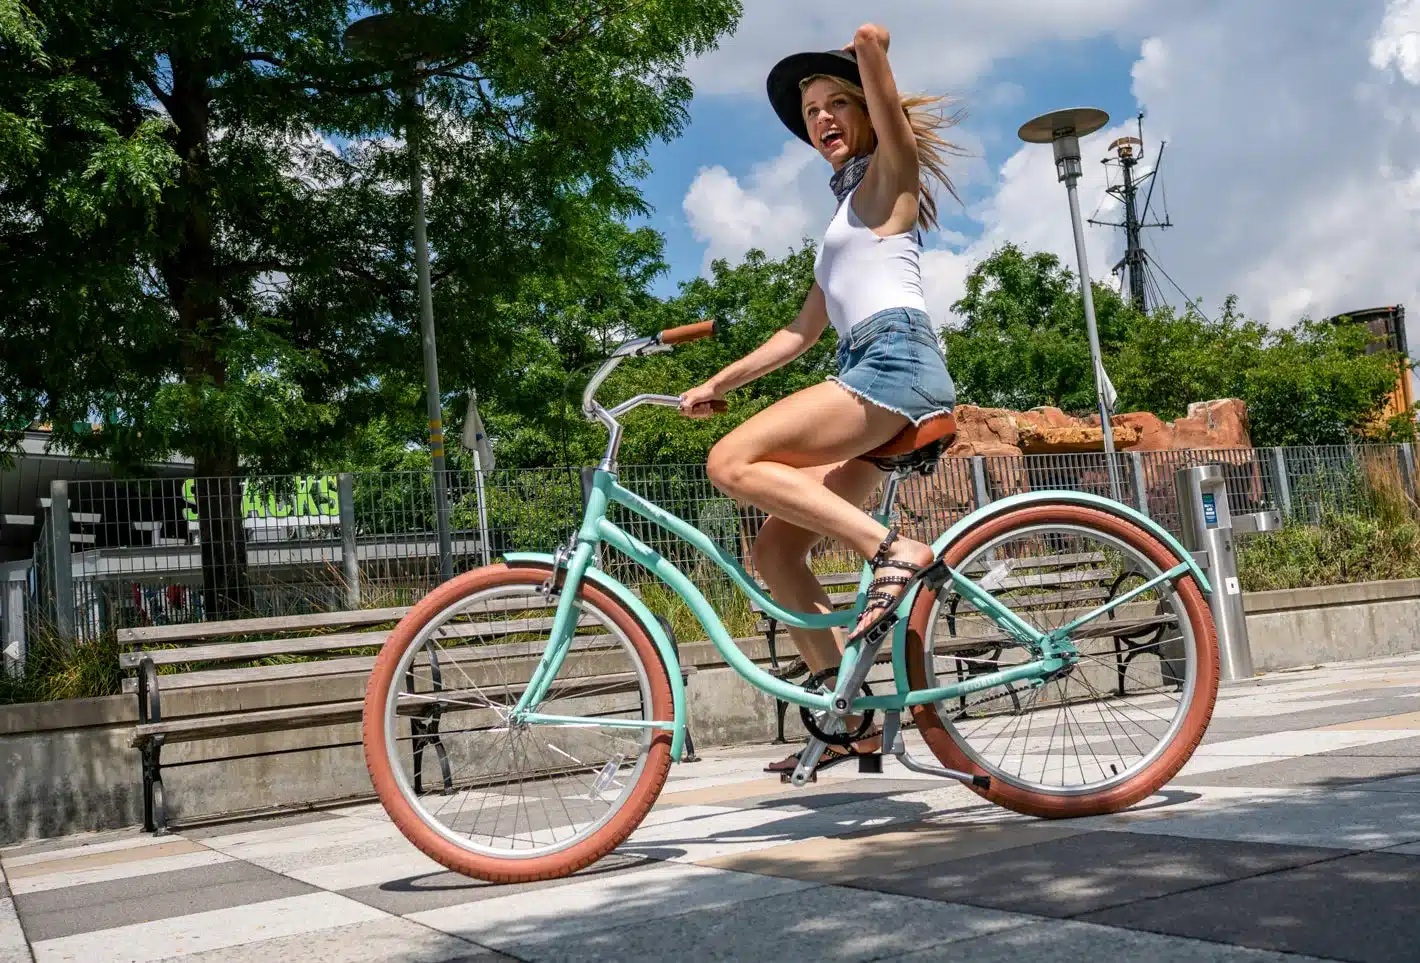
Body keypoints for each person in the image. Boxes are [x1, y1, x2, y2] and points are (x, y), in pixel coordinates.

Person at [679, 23, 962, 773]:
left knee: (731, 460)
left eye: (840, 103)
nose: (823, 119)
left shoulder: (890, 180)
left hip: (893, 363)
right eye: (811, 113)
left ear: (870, 111)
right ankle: (855, 718)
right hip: (864, 365)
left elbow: (885, 93)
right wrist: (718, 382)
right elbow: (798, 332)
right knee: (775, 550)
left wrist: (869, 51)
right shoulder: (843, 220)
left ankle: (891, 550)